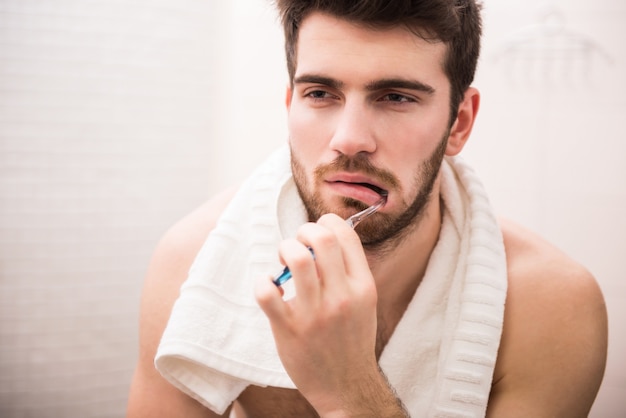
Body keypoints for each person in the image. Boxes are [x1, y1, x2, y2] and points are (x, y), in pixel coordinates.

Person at [127, 1, 608, 417]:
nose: (349, 138)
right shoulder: (193, 262)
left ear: (459, 123)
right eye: (320, 94)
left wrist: (348, 391)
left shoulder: (551, 307)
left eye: (395, 97)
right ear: (290, 103)